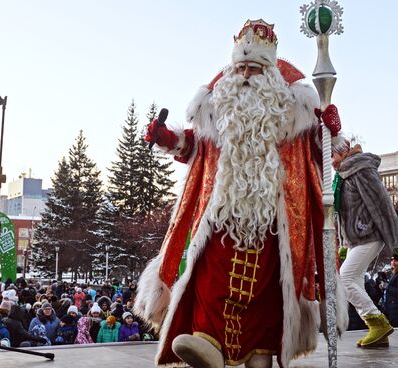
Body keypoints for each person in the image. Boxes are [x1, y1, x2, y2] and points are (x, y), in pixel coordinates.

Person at [135, 19, 347, 368]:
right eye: (241, 67)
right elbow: (193, 146)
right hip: (221, 218)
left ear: (271, 75)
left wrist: (331, 129)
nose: (247, 75)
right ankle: (205, 342)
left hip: (273, 225)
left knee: (266, 298)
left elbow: (323, 153)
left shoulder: (292, 118)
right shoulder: (218, 113)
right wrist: (166, 138)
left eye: (255, 68)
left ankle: (259, 356)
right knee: (210, 282)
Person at [334, 139, 398, 348]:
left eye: (332, 156)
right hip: (358, 239)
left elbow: (381, 203)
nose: (331, 162)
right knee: (354, 279)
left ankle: (377, 322)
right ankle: (378, 330)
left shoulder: (360, 169)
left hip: (370, 235)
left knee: (345, 278)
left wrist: (393, 238)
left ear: (344, 152)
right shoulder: (344, 175)